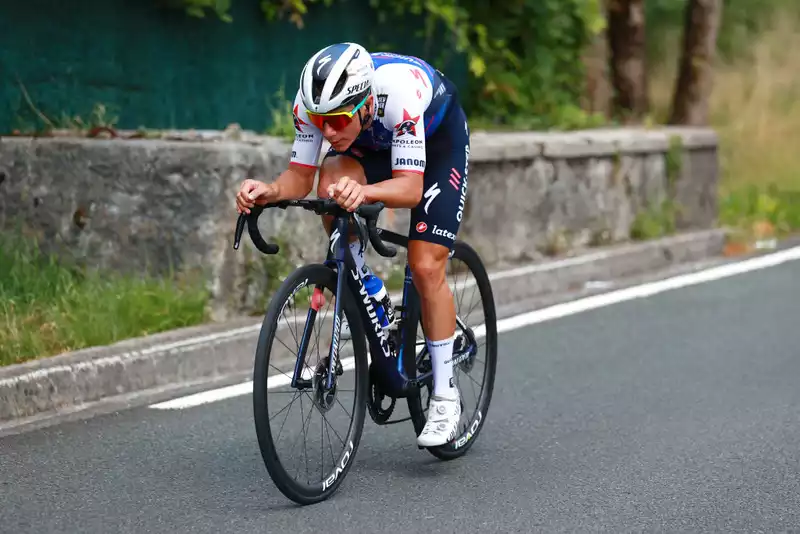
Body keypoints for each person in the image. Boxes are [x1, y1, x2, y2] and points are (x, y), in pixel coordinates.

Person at [235, 42, 470, 447]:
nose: (327, 131)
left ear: (364, 104)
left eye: (338, 120)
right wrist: (269, 190)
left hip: (436, 145)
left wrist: (365, 193)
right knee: (330, 184)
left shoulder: (398, 95)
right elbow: (299, 175)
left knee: (426, 264)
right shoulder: (314, 109)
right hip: (375, 146)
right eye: (320, 121)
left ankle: (446, 396)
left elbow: (411, 189)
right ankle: (369, 290)